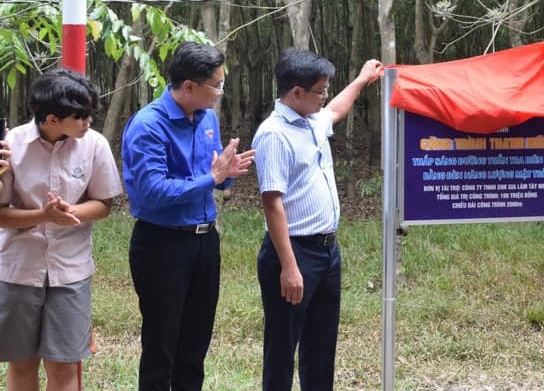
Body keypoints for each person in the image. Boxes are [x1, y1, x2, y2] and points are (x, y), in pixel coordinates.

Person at [122, 42, 255, 391]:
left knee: (195, 345)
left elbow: (208, 174)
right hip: (162, 244)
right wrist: (211, 179)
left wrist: (227, 173)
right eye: (216, 85)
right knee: (161, 346)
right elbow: (153, 192)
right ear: (189, 86)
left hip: (204, 241)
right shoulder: (149, 126)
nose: (220, 92)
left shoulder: (207, 117)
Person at [252, 49, 383, 391]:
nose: (325, 97)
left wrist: (361, 79)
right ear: (296, 92)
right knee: (282, 348)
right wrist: (290, 267)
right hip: (293, 253)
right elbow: (272, 203)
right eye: (320, 91)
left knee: (321, 346)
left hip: (327, 252)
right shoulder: (274, 134)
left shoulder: (312, 119)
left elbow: (337, 110)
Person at [0, 68, 123, 391]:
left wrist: (69, 212)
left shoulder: (94, 145)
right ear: (52, 120)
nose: (88, 122)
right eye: (80, 116)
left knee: (64, 365)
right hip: (18, 269)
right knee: (22, 363)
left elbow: (104, 204)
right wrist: (44, 215)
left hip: (71, 271)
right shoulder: (11, 146)